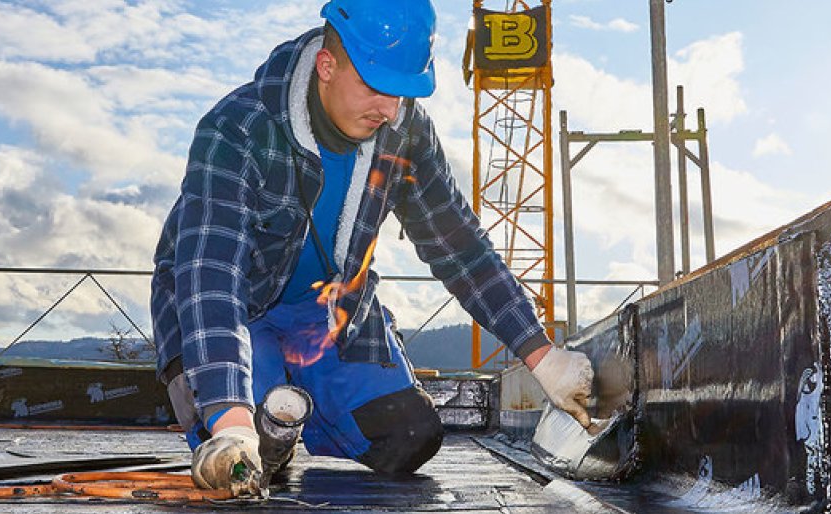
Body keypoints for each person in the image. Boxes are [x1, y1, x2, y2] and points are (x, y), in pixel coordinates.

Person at [149, 0, 595, 494]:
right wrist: (230, 422)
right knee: (243, 459)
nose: (389, 109)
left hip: (323, 313)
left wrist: (542, 357)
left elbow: (461, 247)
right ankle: (265, 427)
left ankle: (288, 419)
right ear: (326, 66)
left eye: (403, 93)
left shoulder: (404, 131)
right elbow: (210, 277)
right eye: (377, 87)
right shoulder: (238, 129)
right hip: (229, 312)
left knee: (409, 435)